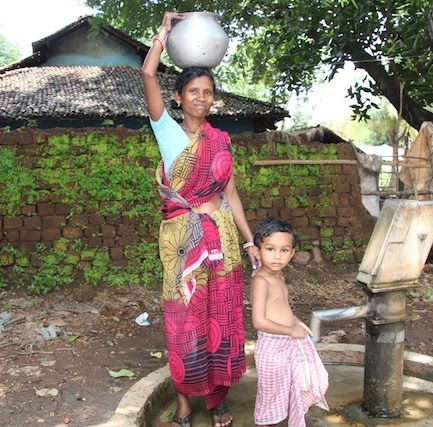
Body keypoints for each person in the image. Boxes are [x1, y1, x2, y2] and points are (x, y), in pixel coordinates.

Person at [141, 12, 260, 427]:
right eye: (193, 91)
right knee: (184, 322)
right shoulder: (168, 133)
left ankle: (216, 399)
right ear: (178, 96)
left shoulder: (221, 141)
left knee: (220, 321)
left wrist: (249, 240)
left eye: (207, 93)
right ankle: (184, 404)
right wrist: (163, 33)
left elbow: (230, 195)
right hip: (184, 245)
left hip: (221, 242)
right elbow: (148, 74)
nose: (201, 98)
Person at [250, 218, 329, 427]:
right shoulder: (261, 281)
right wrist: (290, 331)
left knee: (284, 393)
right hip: (271, 348)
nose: (277, 256)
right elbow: (258, 321)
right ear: (257, 251)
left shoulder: (279, 277)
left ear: (292, 253)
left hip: (285, 343)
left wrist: (296, 322)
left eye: (284, 250)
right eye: (270, 249)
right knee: (269, 399)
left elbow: (281, 307)